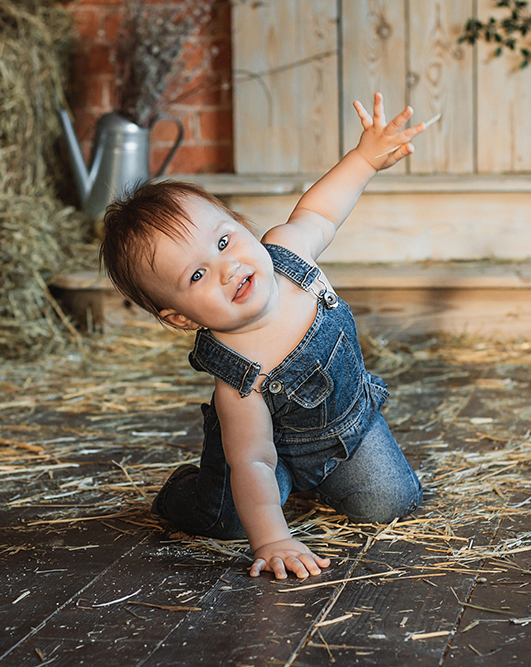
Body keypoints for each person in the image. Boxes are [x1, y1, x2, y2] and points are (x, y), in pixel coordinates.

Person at [99, 93, 424, 580]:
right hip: (260, 459)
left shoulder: (289, 255)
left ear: (242, 227)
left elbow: (321, 211)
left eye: (225, 241)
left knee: (392, 502)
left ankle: (313, 483)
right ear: (183, 318)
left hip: (348, 428)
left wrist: (365, 159)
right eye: (197, 276)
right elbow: (253, 458)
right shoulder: (238, 376)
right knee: (228, 518)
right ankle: (183, 495)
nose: (228, 268)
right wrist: (273, 538)